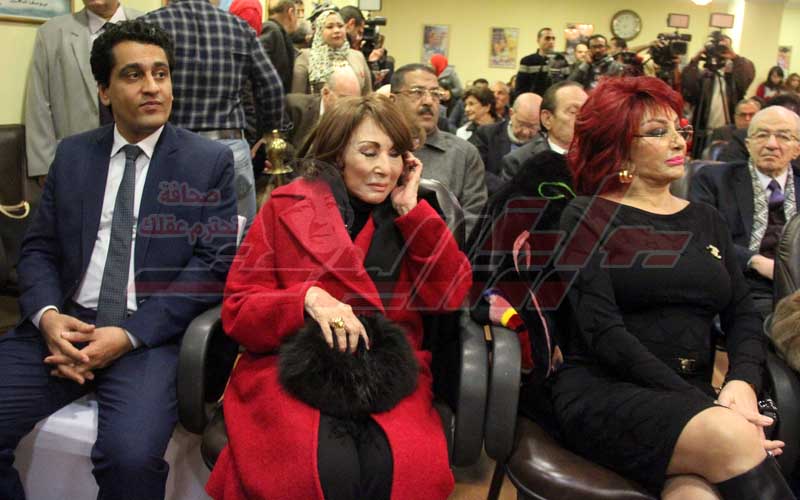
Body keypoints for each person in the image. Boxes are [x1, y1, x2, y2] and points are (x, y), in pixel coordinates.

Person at [0, 20, 237, 500]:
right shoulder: (73, 155)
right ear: (105, 91)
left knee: (129, 459)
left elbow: (213, 267)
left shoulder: (207, 162)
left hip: (148, 335)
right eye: (133, 75)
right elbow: (39, 248)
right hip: (66, 324)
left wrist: (127, 336)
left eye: (161, 73)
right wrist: (48, 318)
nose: (152, 87)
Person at [205, 94, 472, 500]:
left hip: (392, 373)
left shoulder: (417, 212)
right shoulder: (284, 206)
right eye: (369, 152)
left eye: (395, 154)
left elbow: (451, 295)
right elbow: (239, 311)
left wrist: (411, 211)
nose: (385, 168)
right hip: (292, 365)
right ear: (337, 155)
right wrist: (306, 299)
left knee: (391, 470)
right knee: (321, 471)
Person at [548, 76, 793, 499]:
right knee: (730, 438)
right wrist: (711, 409)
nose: (678, 141)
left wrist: (741, 384)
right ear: (619, 146)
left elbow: (743, 315)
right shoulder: (585, 215)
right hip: (607, 389)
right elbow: (603, 333)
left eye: (680, 129)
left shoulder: (706, 219)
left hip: (694, 393)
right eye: (658, 132)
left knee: (696, 493)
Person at [143, 0, 284, 228]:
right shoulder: (239, 28)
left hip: (171, 147)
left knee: (172, 234)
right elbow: (271, 87)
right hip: (230, 147)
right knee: (238, 237)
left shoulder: (150, 25)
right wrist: (267, 134)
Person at [690, 106, 800, 318]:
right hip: (742, 282)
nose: (771, 144)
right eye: (762, 135)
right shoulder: (714, 180)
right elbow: (702, 235)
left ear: (797, 149)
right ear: (748, 144)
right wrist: (754, 261)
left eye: (783, 137)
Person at [24, 0, 142, 183]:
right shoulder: (52, 33)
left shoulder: (147, 25)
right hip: (75, 165)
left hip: (138, 158)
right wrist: (45, 168)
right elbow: (38, 103)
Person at [391, 64, 487, 237]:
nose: (429, 101)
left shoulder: (463, 154)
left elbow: (472, 224)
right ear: (393, 100)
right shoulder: (379, 151)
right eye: (417, 92)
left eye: (435, 94)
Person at [681, 33, 755, 157]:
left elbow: (746, 78)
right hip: (703, 132)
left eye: (723, 47)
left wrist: (735, 57)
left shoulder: (734, 77)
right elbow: (688, 89)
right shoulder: (704, 76)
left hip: (728, 132)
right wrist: (694, 62)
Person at [501, 80, 587, 181]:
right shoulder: (520, 161)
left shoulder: (598, 157)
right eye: (573, 112)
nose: (583, 118)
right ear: (547, 119)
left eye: (587, 111)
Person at [469, 92, 542, 195]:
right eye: (521, 124)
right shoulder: (487, 134)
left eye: (533, 126)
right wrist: (509, 190)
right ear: (511, 113)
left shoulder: (544, 142)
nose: (525, 132)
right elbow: (475, 169)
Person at [292, 8, 372, 96]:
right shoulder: (306, 57)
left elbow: (368, 94)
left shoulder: (358, 56)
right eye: (330, 27)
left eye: (340, 26)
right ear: (319, 31)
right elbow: (297, 98)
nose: (337, 30)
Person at [284, 65, 362, 151]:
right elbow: (280, 143)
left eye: (355, 101)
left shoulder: (358, 119)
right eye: (344, 99)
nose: (350, 106)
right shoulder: (294, 107)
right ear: (325, 93)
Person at [259, 0, 304, 92]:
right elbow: (259, 68)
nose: (298, 19)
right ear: (291, 13)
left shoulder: (279, 32)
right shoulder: (271, 29)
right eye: (297, 13)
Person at [515, 27, 569, 97]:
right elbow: (520, 87)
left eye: (553, 39)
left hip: (555, 100)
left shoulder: (561, 59)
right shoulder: (527, 61)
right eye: (547, 38)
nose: (551, 41)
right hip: (534, 100)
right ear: (538, 40)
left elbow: (567, 83)